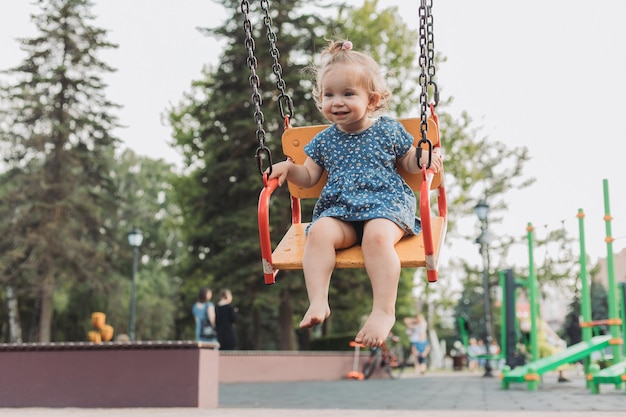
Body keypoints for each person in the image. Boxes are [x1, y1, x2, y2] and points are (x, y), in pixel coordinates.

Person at [266, 40, 443, 348]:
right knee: (318, 232)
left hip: (385, 207)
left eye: (348, 94)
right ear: (320, 99)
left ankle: (383, 311)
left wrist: (423, 157)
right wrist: (288, 169)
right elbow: (308, 177)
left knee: (376, 238)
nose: (337, 102)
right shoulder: (324, 141)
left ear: (371, 99)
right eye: (329, 94)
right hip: (341, 211)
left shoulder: (387, 130)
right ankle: (319, 300)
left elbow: (408, 162)